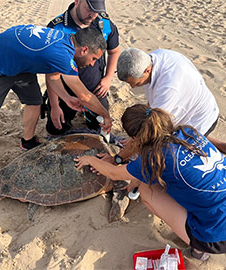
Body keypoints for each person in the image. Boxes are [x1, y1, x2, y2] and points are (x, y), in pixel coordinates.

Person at [75, 104, 226, 260]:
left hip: (217, 238)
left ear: (136, 138)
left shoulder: (154, 158)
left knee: (147, 190)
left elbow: (113, 173)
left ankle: (199, 251)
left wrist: (90, 160)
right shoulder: (188, 132)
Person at [0, 24, 112, 180]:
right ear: (85, 50)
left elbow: (53, 77)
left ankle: (27, 141)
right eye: (94, 59)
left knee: (35, 102)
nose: (93, 64)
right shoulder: (61, 54)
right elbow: (85, 96)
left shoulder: (65, 39)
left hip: (20, 65)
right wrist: (105, 115)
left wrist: (66, 99)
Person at [116, 48, 226, 155]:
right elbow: (151, 107)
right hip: (188, 109)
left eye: (135, 83)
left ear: (147, 70)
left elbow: (152, 128)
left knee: (167, 153)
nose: (133, 86)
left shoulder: (169, 87)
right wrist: (133, 141)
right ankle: (222, 146)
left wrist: (120, 156)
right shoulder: (152, 59)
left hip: (201, 117)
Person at [45, 0, 120, 135]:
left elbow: (114, 51)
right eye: (89, 9)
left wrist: (108, 78)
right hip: (65, 91)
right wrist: (55, 106)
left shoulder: (104, 24)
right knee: (55, 129)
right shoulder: (56, 28)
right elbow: (51, 74)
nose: (92, 15)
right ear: (77, 1)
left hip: (95, 89)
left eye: (96, 11)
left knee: (100, 128)